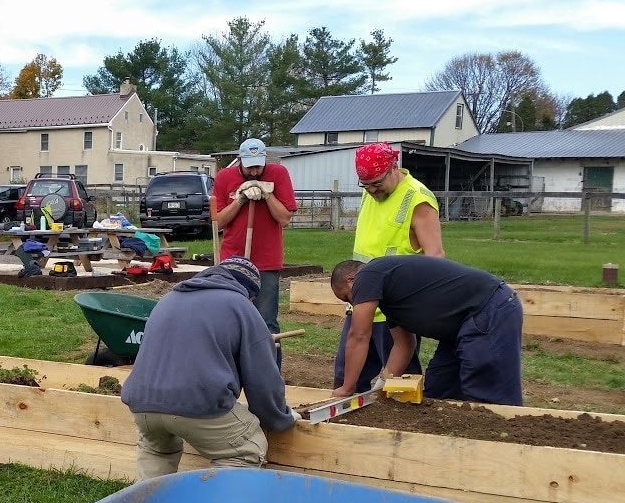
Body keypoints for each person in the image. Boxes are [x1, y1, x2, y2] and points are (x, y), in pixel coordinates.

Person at [120, 256, 298, 479]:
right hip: (196, 401)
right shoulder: (241, 305)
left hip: (142, 404)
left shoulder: (169, 298)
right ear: (250, 293)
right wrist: (280, 418)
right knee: (245, 451)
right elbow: (264, 381)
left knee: (156, 450)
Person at [330, 256, 523, 405]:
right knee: (439, 387)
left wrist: (347, 388)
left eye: (347, 298)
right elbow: (404, 345)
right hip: (460, 328)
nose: (353, 304)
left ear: (351, 279)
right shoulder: (392, 300)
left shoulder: (368, 275)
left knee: (486, 393)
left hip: (488, 308)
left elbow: (358, 336)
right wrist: (383, 383)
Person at [334, 141, 446, 389]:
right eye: (366, 185)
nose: (372, 190)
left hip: (395, 307)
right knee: (347, 378)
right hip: (362, 300)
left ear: (394, 167)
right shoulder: (370, 192)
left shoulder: (417, 199)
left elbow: (435, 257)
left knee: (399, 386)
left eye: (377, 183)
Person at [211, 138, 297, 367]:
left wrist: (267, 195)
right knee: (229, 317)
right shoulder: (224, 178)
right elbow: (218, 222)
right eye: (250, 167)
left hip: (266, 261)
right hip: (233, 260)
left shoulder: (278, 174)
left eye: (258, 166)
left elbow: (284, 218)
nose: (254, 171)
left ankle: (269, 374)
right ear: (239, 160)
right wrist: (239, 199)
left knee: (265, 320)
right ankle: (230, 369)